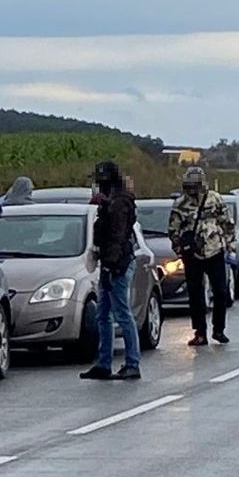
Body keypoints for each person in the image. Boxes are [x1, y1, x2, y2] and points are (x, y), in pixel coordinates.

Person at [80, 160, 141, 381]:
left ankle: (132, 363)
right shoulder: (114, 200)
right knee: (102, 314)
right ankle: (104, 363)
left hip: (117, 263)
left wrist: (112, 264)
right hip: (110, 261)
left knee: (121, 313)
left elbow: (117, 234)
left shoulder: (119, 202)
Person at [168, 166, 236, 346]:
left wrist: (230, 245)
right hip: (193, 254)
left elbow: (227, 223)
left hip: (214, 250)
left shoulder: (214, 199)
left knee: (221, 291)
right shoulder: (180, 204)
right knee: (195, 294)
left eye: (194, 186)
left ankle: (218, 329)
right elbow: (173, 229)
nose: (192, 190)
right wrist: (180, 249)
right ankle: (200, 332)